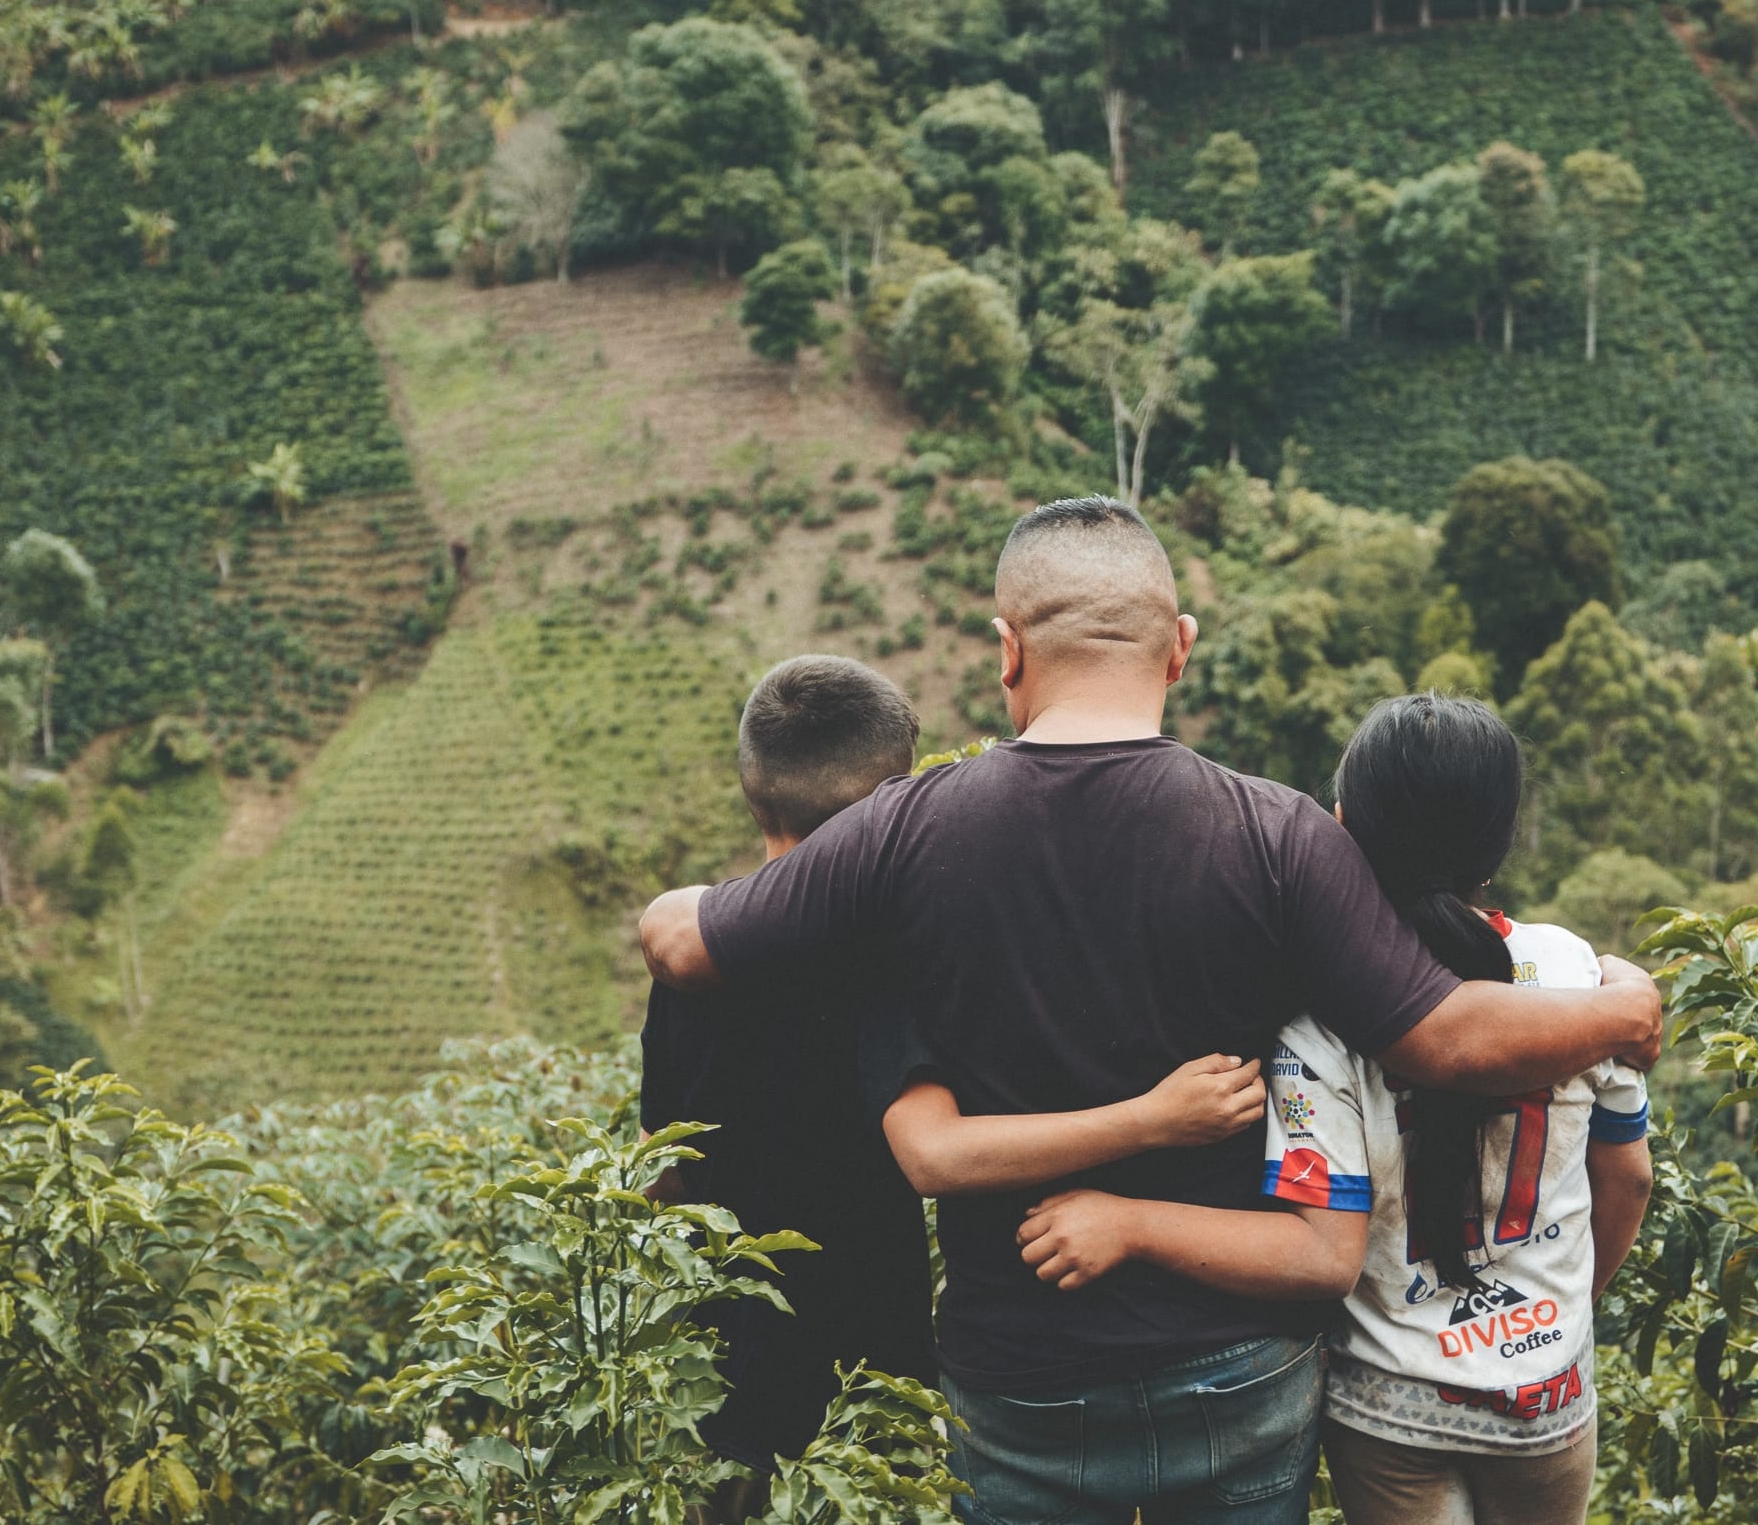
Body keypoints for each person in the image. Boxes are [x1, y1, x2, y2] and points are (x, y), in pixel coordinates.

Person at [642, 497, 1663, 1524]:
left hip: (1021, 1369)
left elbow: (683, 944)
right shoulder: (1282, 834)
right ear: (1179, 648)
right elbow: (1446, 1036)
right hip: (1240, 1367)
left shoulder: (906, 829)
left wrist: (682, 904)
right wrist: (1624, 1018)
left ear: (1007, 651)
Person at [1014, 693, 1653, 1525]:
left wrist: (1130, 1223)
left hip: (1392, 1409)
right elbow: (1629, 1177)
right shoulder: (1577, 977)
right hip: (1549, 1394)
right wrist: (1567, 1315)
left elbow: (1323, 1257)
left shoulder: (1321, 1023)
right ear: (1497, 843)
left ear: (1341, 827)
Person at [637, 655, 940, 1522]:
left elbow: (669, 1172)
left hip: (728, 1382)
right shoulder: (900, 956)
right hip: (878, 1384)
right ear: (894, 802)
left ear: (752, 790)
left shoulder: (692, 963)